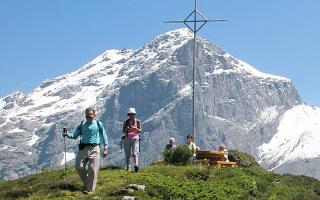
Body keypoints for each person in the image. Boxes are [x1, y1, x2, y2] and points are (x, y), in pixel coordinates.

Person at [63, 107, 108, 194]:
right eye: (87, 116)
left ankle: (90, 191)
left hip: (95, 148)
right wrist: (67, 134)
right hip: (83, 148)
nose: (88, 118)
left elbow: (104, 136)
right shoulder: (81, 125)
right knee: (79, 167)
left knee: (93, 169)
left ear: (94, 115)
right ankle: (88, 184)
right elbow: (75, 136)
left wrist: (106, 148)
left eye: (90, 116)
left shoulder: (99, 124)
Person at [122, 107, 142, 172]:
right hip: (127, 138)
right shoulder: (126, 122)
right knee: (127, 154)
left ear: (134, 114)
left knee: (135, 152)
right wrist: (127, 128)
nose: (131, 115)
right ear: (129, 115)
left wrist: (135, 129)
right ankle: (128, 167)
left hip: (135, 138)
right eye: (130, 114)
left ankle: (136, 165)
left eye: (133, 114)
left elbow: (140, 131)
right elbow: (123, 131)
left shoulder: (138, 121)